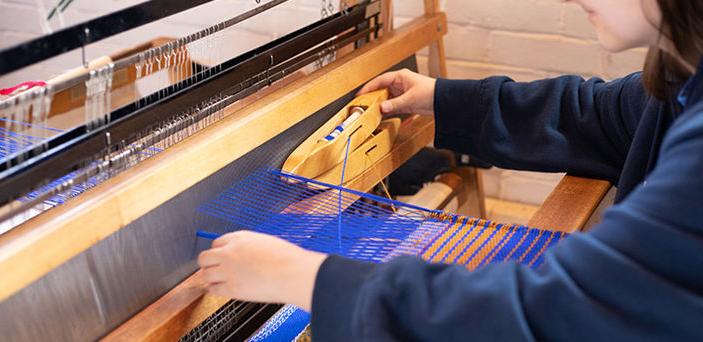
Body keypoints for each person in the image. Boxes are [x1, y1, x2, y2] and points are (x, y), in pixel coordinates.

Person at [197, 0, 703, 340]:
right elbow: (596, 115)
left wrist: (305, 277)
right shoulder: (684, 83)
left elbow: (549, 316)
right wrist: (442, 100)